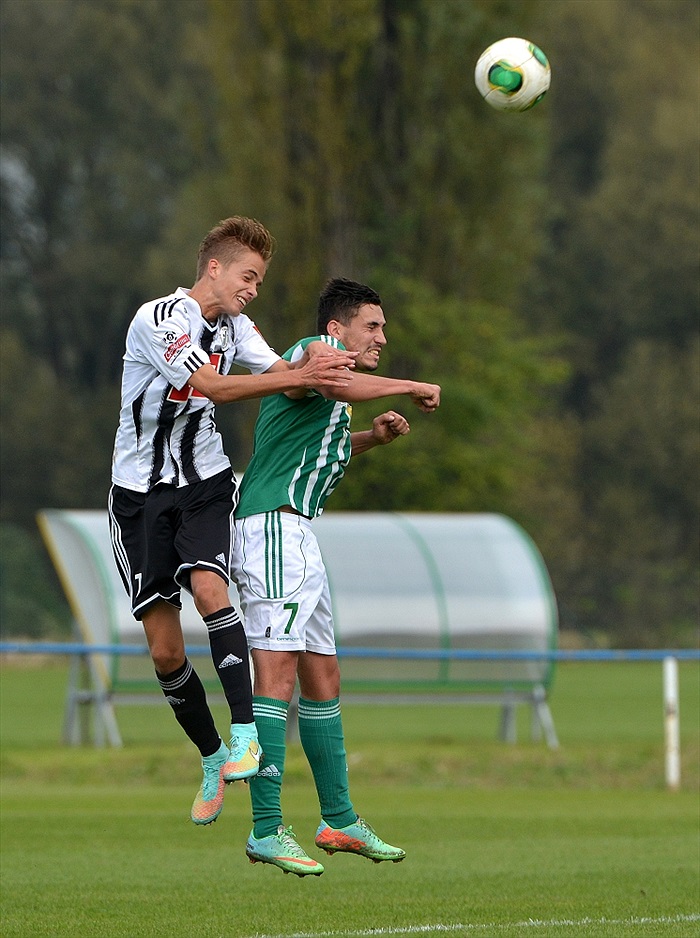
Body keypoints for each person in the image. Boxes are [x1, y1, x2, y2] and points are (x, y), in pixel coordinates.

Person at [108, 217, 355, 827]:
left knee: (211, 587)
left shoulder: (236, 325)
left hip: (206, 482)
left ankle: (245, 731)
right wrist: (300, 375)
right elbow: (210, 386)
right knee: (166, 651)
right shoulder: (161, 318)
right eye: (249, 276)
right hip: (138, 495)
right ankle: (214, 756)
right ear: (214, 268)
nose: (253, 289)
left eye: (260, 281)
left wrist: (318, 366)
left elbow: (277, 376)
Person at [230, 277, 441, 876]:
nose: (381, 336)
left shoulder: (334, 392)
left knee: (322, 674)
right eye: (371, 326)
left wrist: (371, 437)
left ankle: (339, 819)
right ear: (336, 330)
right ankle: (266, 828)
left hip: (299, 535)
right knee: (275, 674)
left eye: (382, 328)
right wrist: (408, 384)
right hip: (271, 528)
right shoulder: (308, 355)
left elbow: (316, 450)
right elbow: (330, 379)